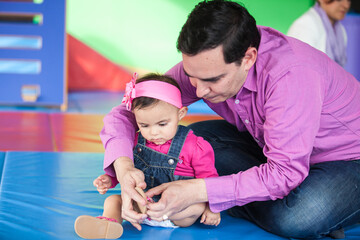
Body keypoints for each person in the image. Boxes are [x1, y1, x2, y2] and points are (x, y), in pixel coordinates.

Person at [100, 1, 360, 239]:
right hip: (275, 152)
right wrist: (123, 167)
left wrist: (199, 192)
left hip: (346, 160)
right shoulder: (208, 62)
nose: (199, 92)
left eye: (213, 80)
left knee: (296, 217)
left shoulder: (290, 77)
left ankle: (324, 209)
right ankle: (260, 197)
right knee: (195, 140)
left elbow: (285, 173)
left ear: (248, 58)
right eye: (192, 76)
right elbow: (127, 112)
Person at [75, 73, 220, 239]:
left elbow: (209, 179)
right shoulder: (136, 141)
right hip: (142, 209)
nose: (153, 132)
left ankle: (181, 211)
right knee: (113, 201)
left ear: (180, 114)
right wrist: (111, 179)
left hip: (177, 213)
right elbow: (128, 172)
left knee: (197, 207)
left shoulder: (195, 146)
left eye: (162, 124)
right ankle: (109, 224)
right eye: (144, 125)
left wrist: (212, 208)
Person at [287, 0, 351, 67]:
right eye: (339, 0)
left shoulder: (340, 30)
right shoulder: (306, 25)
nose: (346, 5)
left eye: (348, 0)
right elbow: (300, 70)